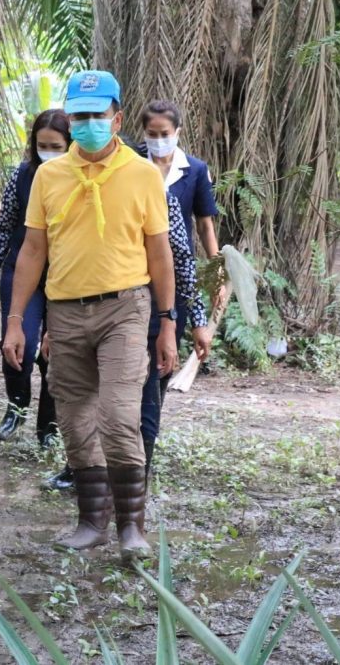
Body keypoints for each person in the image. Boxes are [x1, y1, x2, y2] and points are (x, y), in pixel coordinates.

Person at [2, 71, 176, 560]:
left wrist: (167, 321)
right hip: (65, 312)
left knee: (118, 417)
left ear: (117, 119)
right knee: (75, 420)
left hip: (125, 308)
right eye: (79, 115)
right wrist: (15, 320)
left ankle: (132, 528)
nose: (88, 124)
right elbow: (33, 250)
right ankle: (90, 522)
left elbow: (160, 252)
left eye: (97, 115)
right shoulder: (49, 175)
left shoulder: (143, 174)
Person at [0, 109, 68, 451]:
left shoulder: (79, 179)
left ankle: (48, 424)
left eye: (56, 147)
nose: (48, 152)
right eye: (41, 146)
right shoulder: (21, 176)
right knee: (18, 341)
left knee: (56, 352)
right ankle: (16, 406)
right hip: (21, 271)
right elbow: (4, 226)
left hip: (65, 276)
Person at [139, 191, 211, 475]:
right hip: (93, 312)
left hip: (153, 311)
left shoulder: (159, 197)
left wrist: (197, 320)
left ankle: (137, 484)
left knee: (148, 393)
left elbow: (182, 262)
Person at [140, 100, 220, 260]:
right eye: (152, 134)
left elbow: (205, 226)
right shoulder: (133, 163)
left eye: (165, 134)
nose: (159, 140)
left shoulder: (196, 170)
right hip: (139, 259)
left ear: (177, 132)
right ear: (144, 133)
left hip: (179, 261)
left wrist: (217, 271)